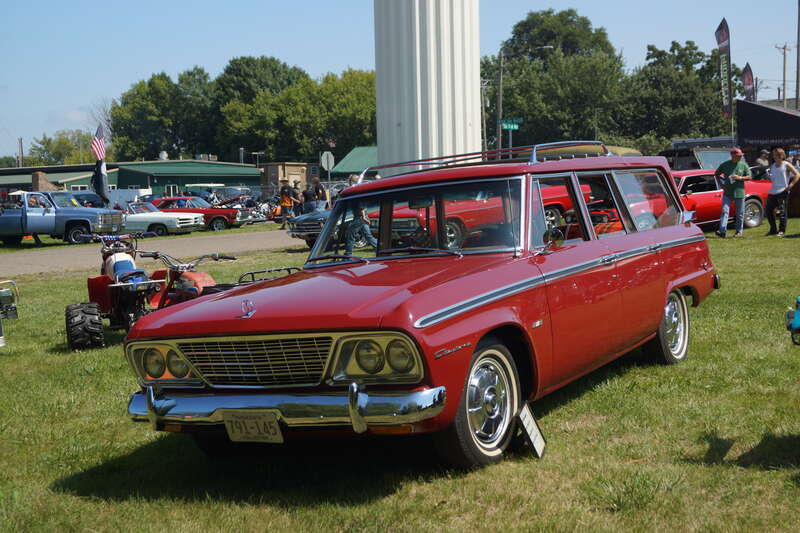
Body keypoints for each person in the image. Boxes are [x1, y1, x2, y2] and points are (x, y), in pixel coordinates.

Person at [715, 147, 752, 238]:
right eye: (738, 156)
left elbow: (750, 177)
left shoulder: (743, 165)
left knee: (740, 213)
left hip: (739, 192)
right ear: (732, 155)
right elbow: (716, 174)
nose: (740, 157)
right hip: (727, 192)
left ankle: (739, 232)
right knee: (725, 211)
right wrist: (721, 184)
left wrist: (740, 178)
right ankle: (722, 231)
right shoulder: (725, 164)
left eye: (741, 156)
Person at [765, 147, 800, 236]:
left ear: (781, 155)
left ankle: (781, 231)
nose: (774, 156)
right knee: (768, 211)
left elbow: (797, 174)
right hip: (772, 191)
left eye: (776, 155)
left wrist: (790, 186)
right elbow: (772, 178)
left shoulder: (786, 164)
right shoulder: (772, 166)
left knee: (782, 212)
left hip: (783, 191)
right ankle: (773, 229)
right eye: (773, 155)